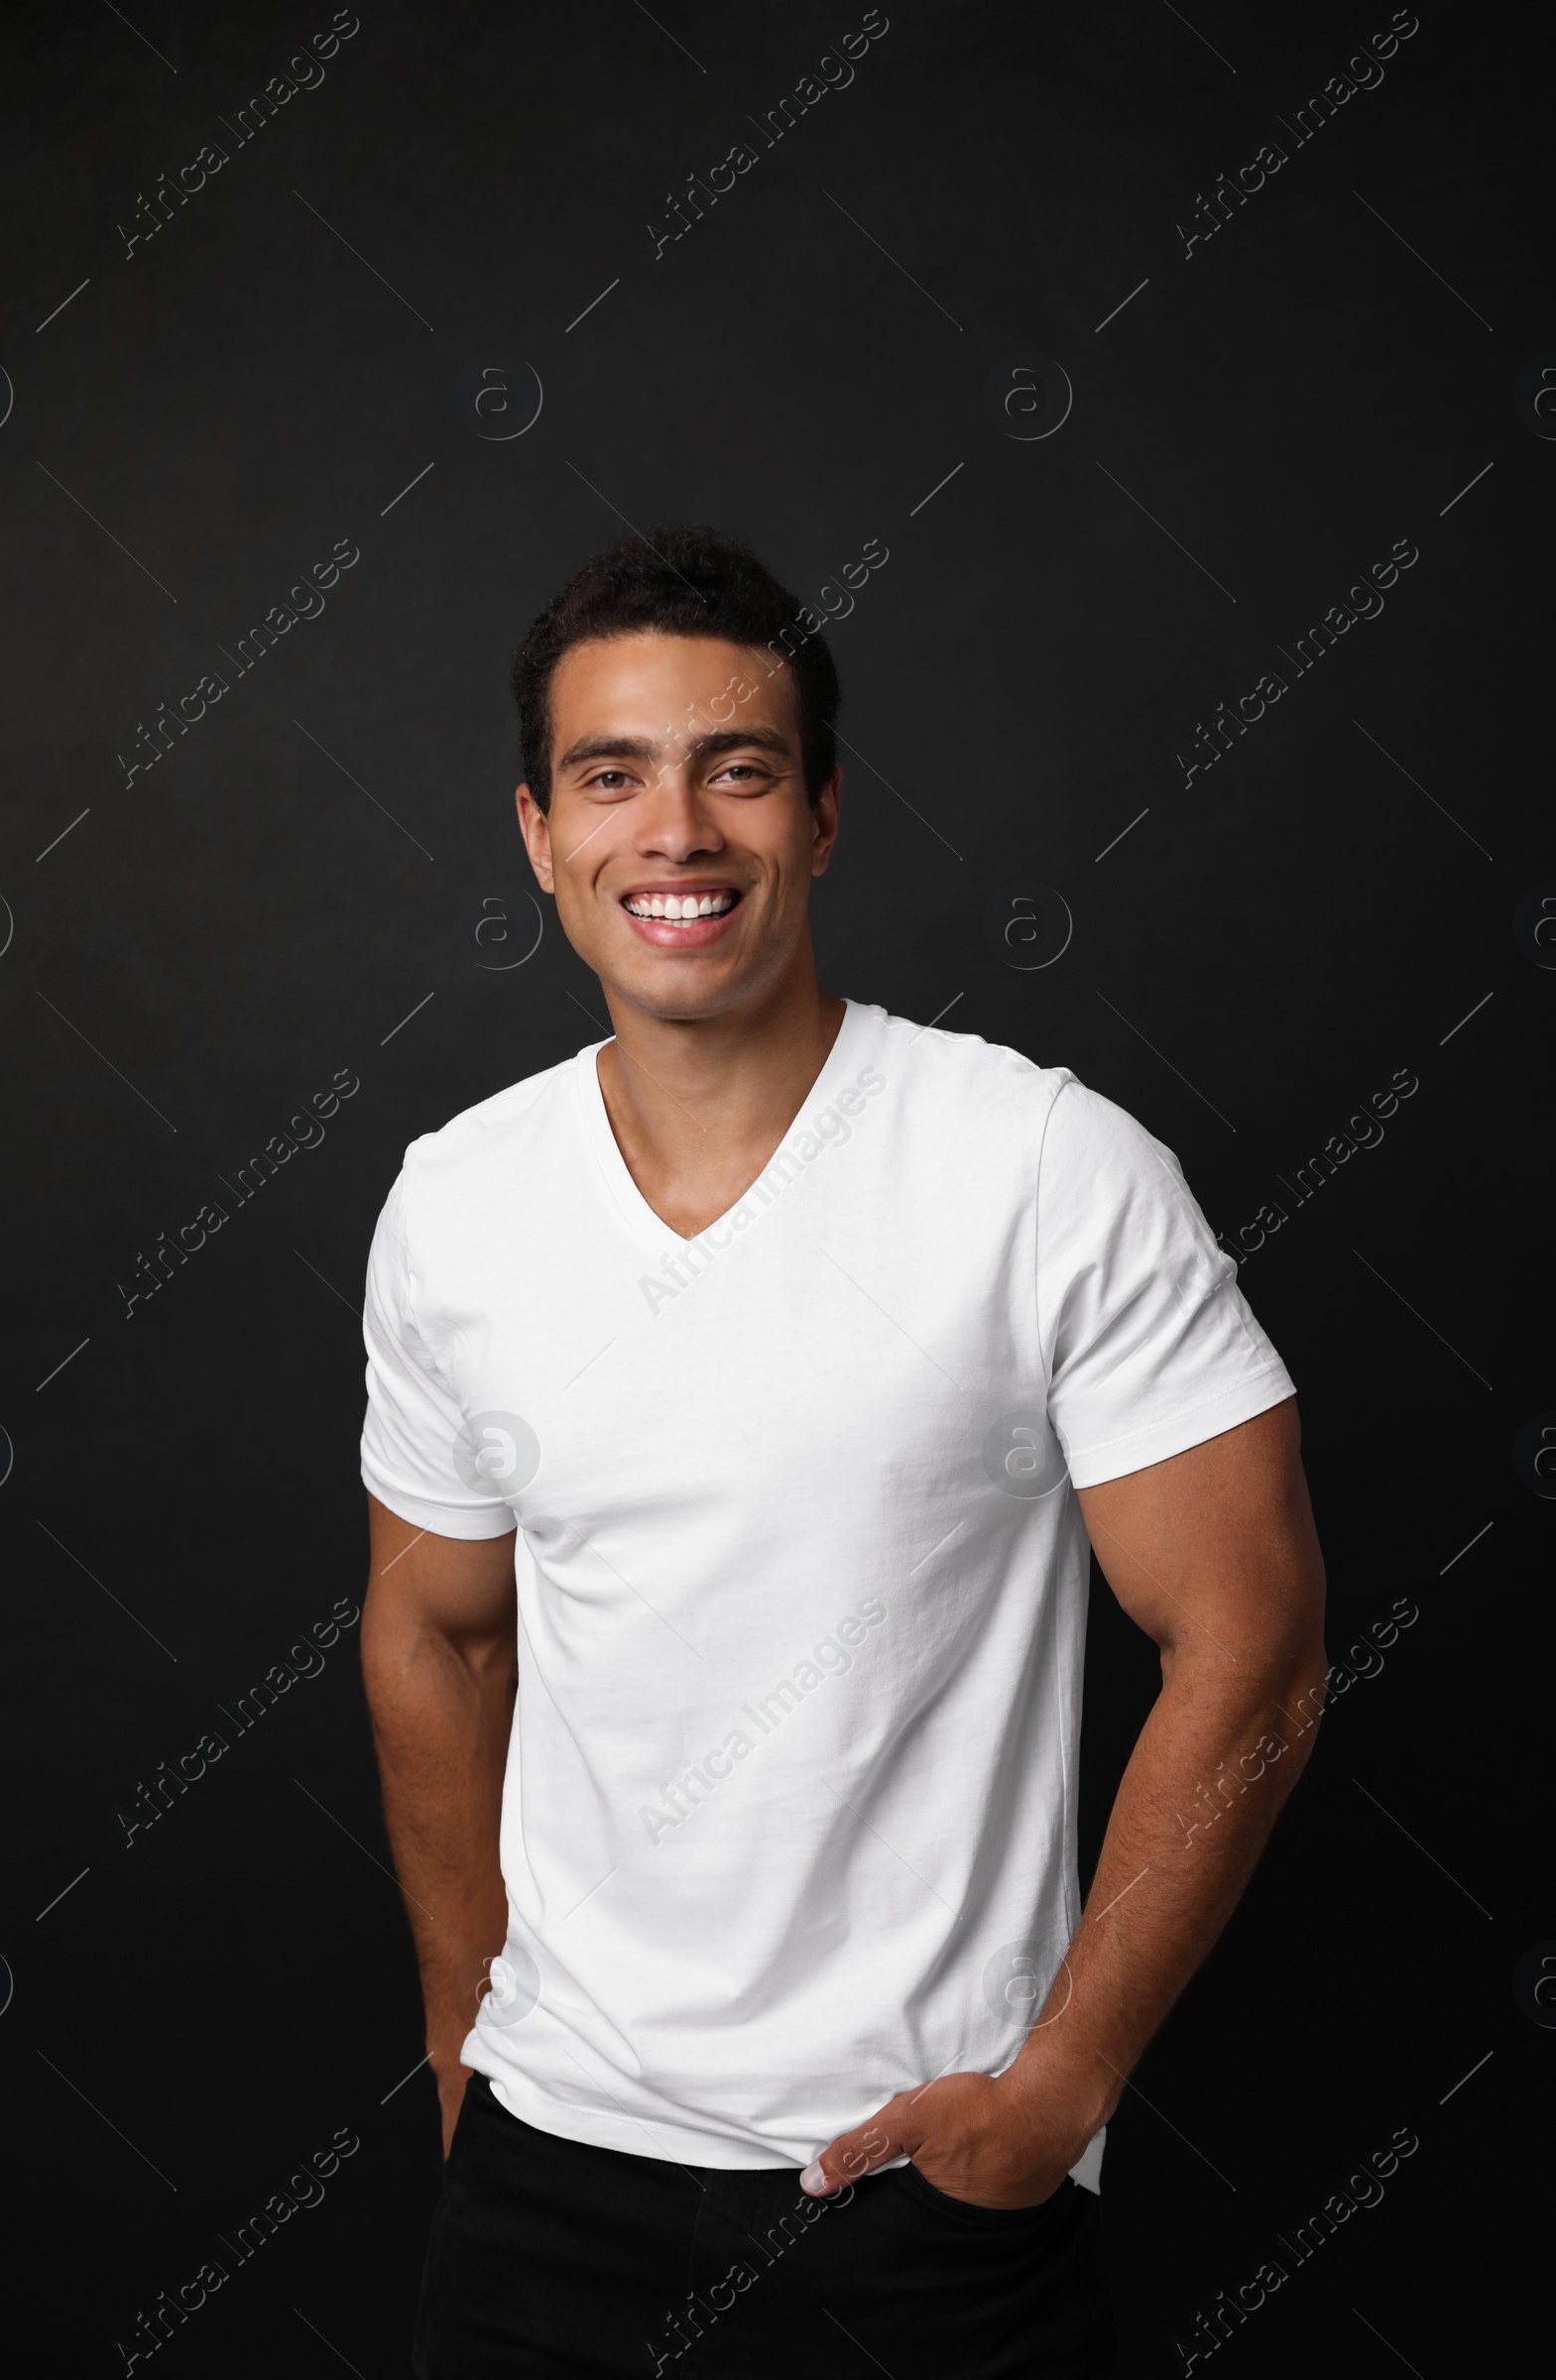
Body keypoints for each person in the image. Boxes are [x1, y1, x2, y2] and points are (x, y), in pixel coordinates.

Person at [359, 525, 1328, 2377]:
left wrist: (1057, 2094)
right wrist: (463, 2033)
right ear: (538, 833)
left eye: (735, 769)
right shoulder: (455, 1205)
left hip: (916, 2190)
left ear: (820, 813)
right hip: (545, 2180)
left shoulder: (1043, 1170)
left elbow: (1256, 1643)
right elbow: (438, 1629)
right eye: (611, 775)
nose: (677, 831)